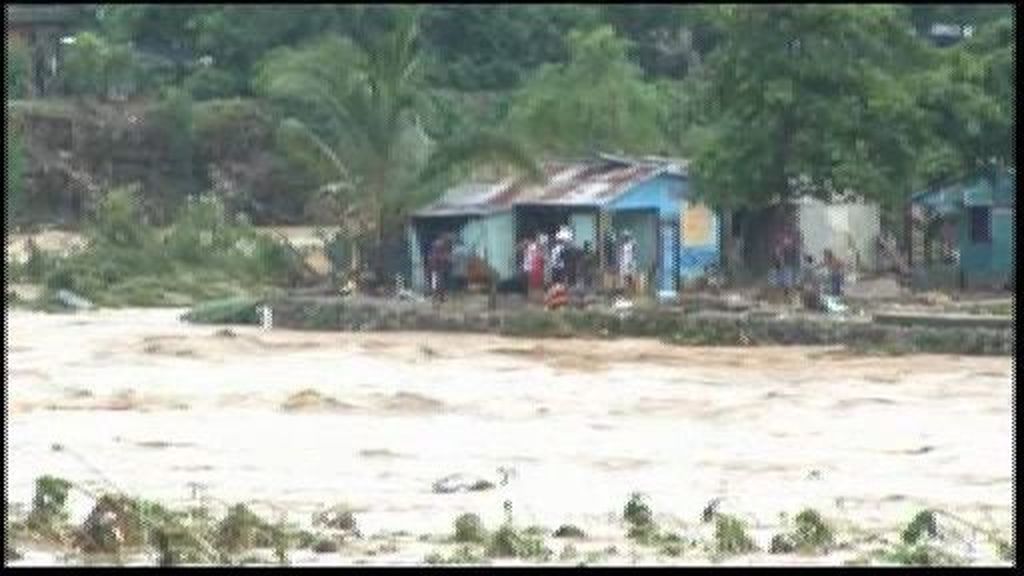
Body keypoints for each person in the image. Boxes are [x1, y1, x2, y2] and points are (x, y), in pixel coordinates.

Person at [618, 231, 637, 296]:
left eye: (626, 237)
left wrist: (631, 262)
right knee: (623, 278)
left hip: (629, 263)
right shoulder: (621, 245)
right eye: (624, 237)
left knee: (630, 277)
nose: (625, 238)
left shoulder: (631, 244)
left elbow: (634, 254)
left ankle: (630, 292)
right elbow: (620, 254)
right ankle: (624, 292)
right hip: (623, 263)